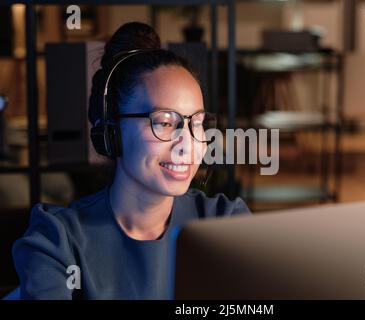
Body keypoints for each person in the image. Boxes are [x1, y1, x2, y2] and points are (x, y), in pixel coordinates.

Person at [12, 22, 251, 300]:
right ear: (111, 131)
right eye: (163, 122)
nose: (188, 144)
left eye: (196, 123)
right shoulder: (57, 240)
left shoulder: (225, 221)